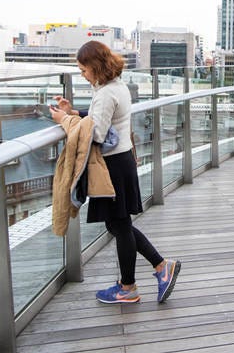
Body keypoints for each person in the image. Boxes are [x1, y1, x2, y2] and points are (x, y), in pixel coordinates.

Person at [50, 41, 181, 304]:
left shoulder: (106, 93)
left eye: (83, 69)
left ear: (95, 66)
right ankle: (159, 267)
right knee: (119, 224)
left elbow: (96, 133)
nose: (82, 75)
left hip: (111, 167)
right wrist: (74, 112)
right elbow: (103, 118)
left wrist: (64, 120)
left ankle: (129, 287)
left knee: (120, 227)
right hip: (121, 162)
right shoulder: (116, 86)